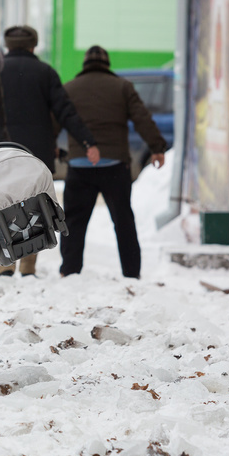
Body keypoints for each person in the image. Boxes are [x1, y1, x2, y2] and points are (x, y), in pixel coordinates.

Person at [0, 25, 100, 277]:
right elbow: (65, 111)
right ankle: (28, 265)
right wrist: (87, 141)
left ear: (7, 46)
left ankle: (6, 264)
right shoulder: (45, 72)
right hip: (36, 155)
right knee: (33, 206)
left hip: (2, 151)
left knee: (1, 204)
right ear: (33, 46)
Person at [59, 46, 167, 280]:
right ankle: (131, 273)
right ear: (107, 64)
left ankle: (69, 271)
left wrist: (50, 149)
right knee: (123, 221)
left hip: (80, 164)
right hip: (115, 166)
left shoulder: (69, 88)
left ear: (85, 64)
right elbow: (142, 118)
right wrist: (157, 147)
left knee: (74, 222)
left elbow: (54, 121)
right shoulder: (122, 87)